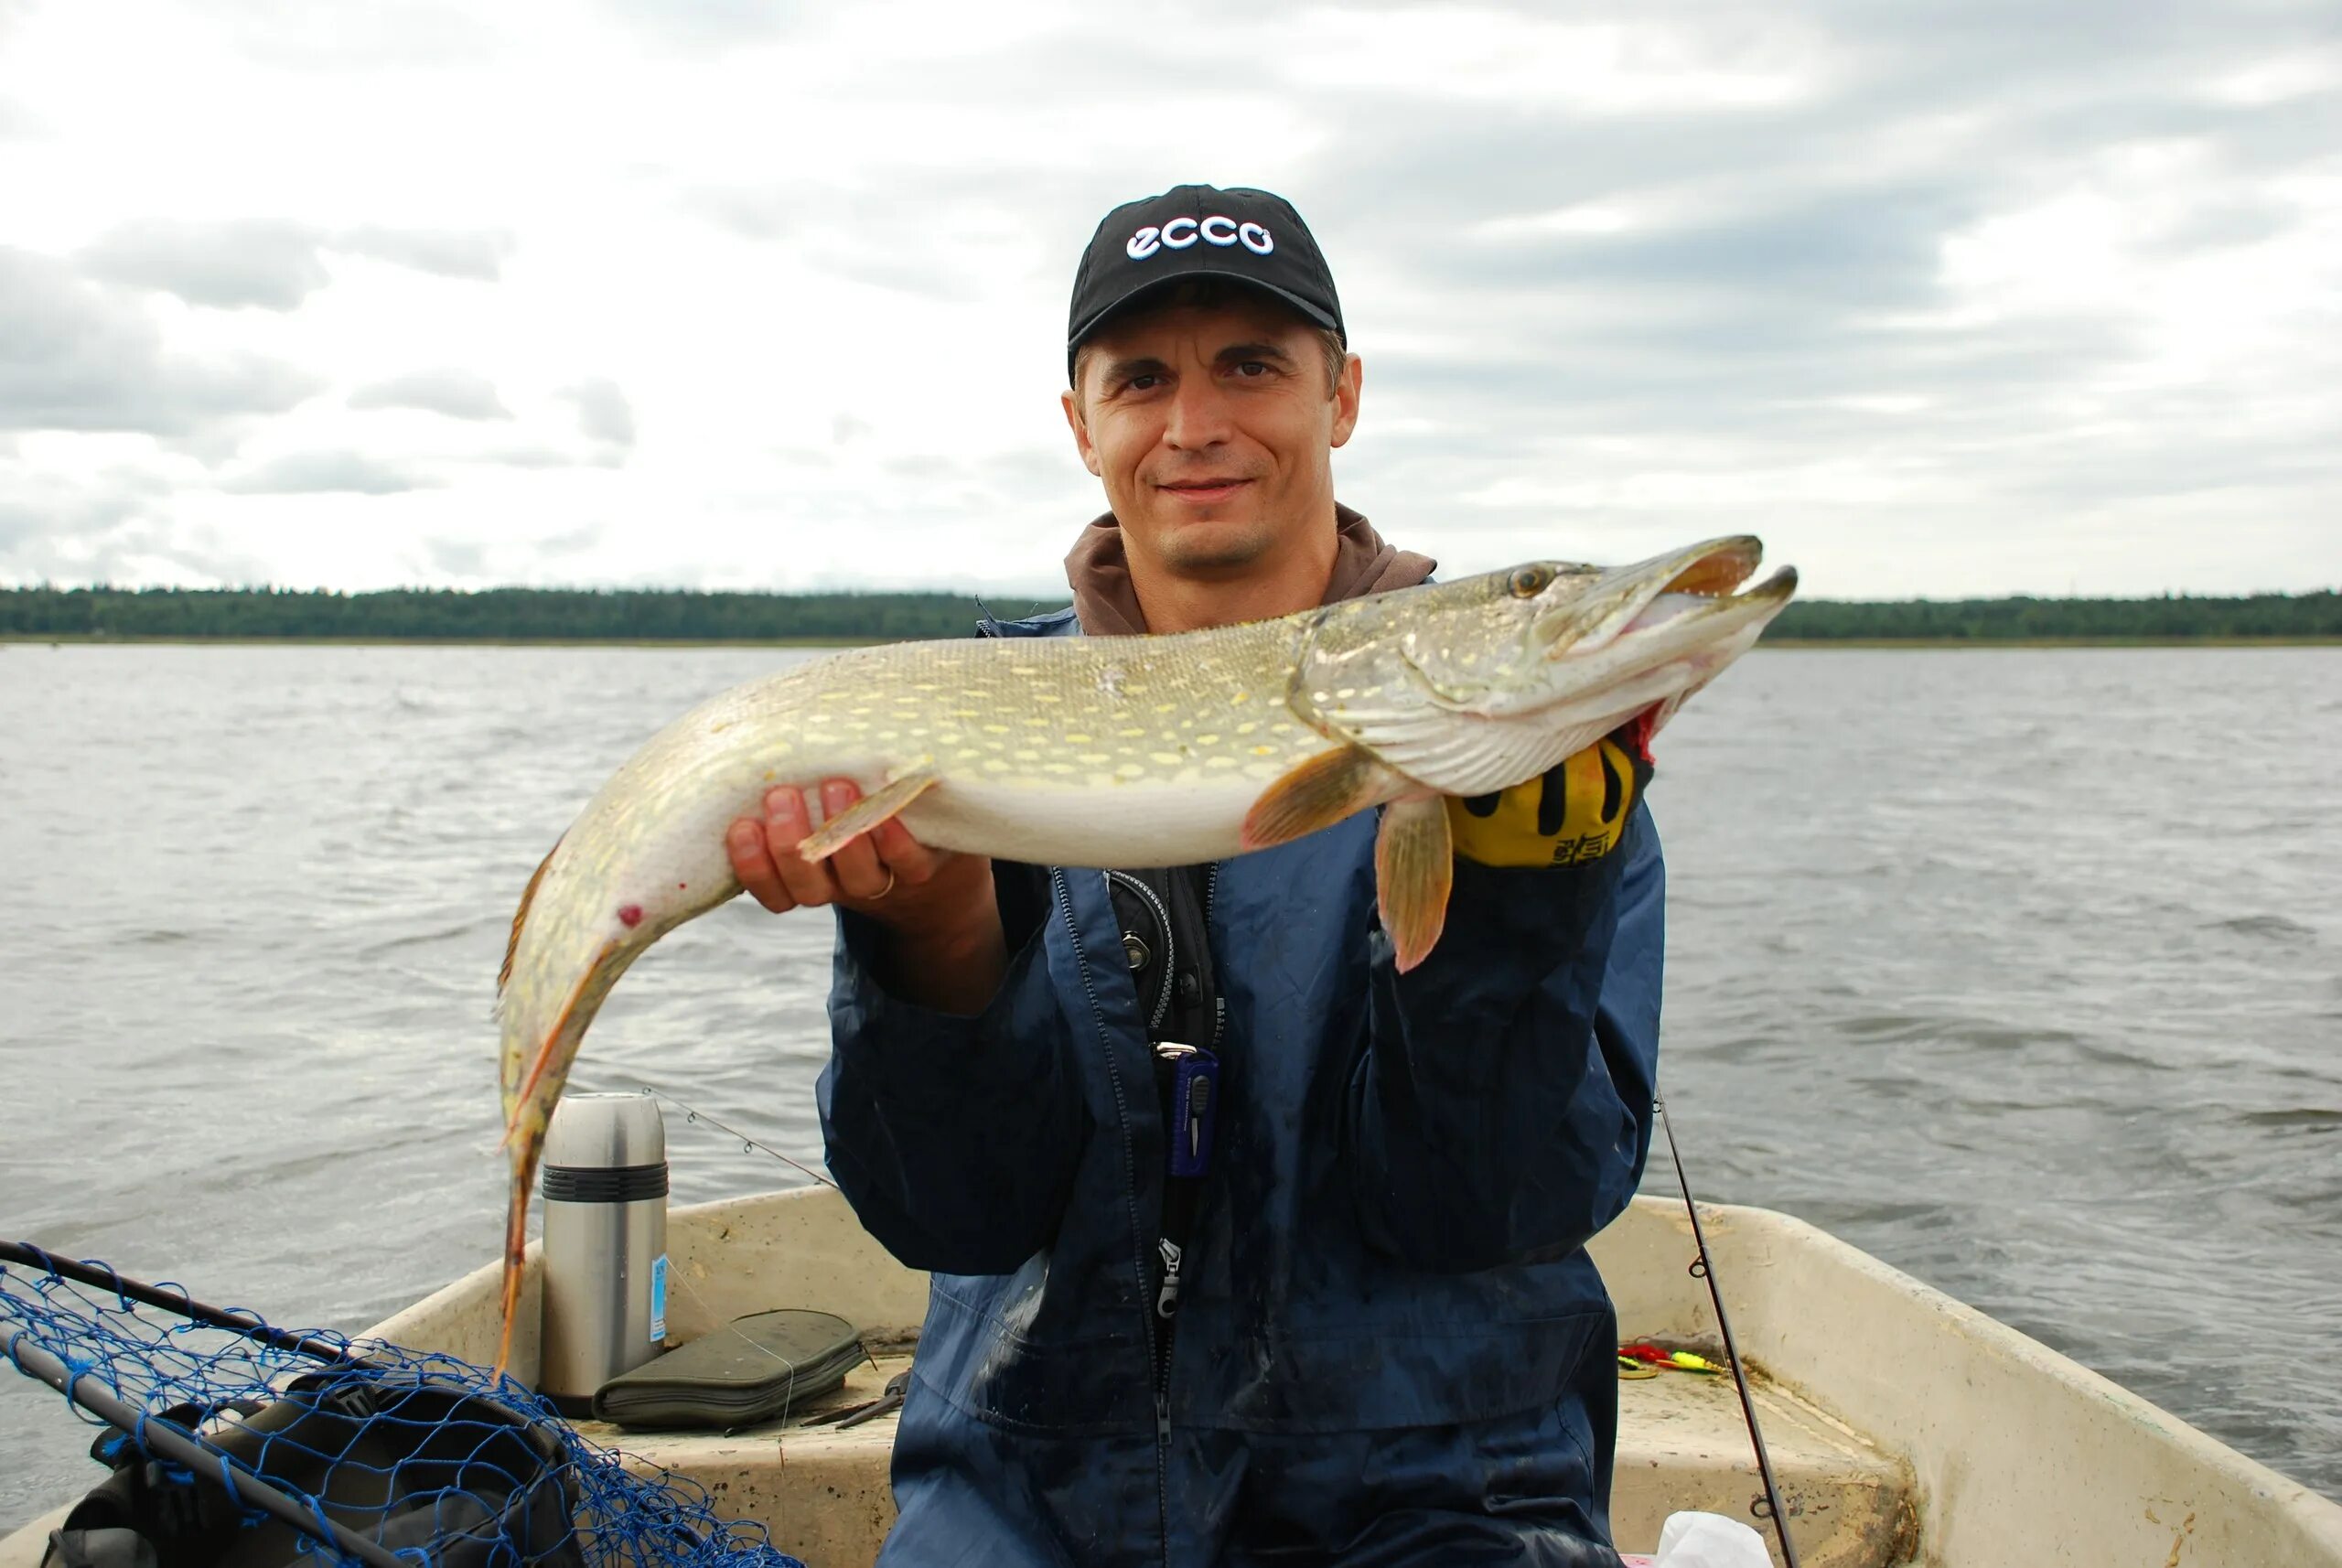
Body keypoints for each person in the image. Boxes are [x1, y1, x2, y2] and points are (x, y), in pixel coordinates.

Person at [724, 185, 1663, 1568]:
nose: (1196, 424)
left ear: (1341, 395)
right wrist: (932, 941)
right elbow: (950, 1215)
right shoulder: (981, 724)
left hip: (1441, 1495)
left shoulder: (1533, 765)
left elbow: (1484, 1206)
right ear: (1080, 423)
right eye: (1143, 377)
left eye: (1252, 365)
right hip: (1025, 1495)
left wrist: (1519, 901)